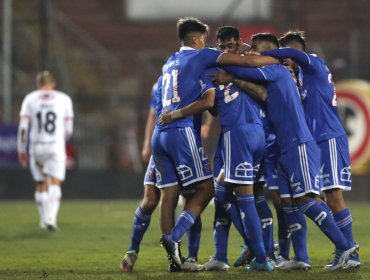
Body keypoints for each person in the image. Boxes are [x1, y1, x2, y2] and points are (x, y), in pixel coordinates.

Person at [211, 32, 358, 271]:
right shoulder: (278, 78)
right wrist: (232, 77)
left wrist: (219, 61)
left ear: (267, 51)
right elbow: (261, 93)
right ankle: (301, 257)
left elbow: (245, 66)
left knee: (307, 200)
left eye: (255, 48)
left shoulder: (274, 70)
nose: (250, 51)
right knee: (291, 201)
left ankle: (345, 247)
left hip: (297, 141)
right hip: (287, 144)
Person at [152, 17, 278, 271]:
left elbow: (217, 102)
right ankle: (246, 253)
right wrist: (272, 60)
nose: (222, 49)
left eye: (231, 45)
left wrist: (270, 58)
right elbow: (216, 102)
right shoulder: (206, 62)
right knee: (219, 191)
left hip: (173, 132)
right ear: (198, 38)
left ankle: (260, 255)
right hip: (210, 133)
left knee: (214, 193)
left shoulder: (170, 62)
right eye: (216, 44)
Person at [261, 30, 360, 269]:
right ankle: (327, 253)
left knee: (333, 196)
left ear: (294, 53)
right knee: (311, 197)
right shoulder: (302, 77)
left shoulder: (313, 63)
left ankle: (350, 252)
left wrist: (261, 54)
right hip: (315, 142)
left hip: (329, 137)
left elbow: (289, 53)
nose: (285, 63)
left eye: (286, 58)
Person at [120, 80, 204, 273]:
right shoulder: (166, 83)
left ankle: (188, 257)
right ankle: (134, 251)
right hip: (171, 142)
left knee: (186, 197)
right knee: (153, 199)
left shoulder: (186, 79)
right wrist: (146, 144)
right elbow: (152, 113)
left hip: (178, 142)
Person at [17, 71, 74, 231]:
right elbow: (68, 129)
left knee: (41, 183)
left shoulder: (30, 99)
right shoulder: (64, 99)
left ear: (38, 84)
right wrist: (62, 138)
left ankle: (43, 220)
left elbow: (23, 127)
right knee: (55, 181)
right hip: (55, 145)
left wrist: (22, 148)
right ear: (53, 83)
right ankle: (51, 218)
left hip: (37, 146)